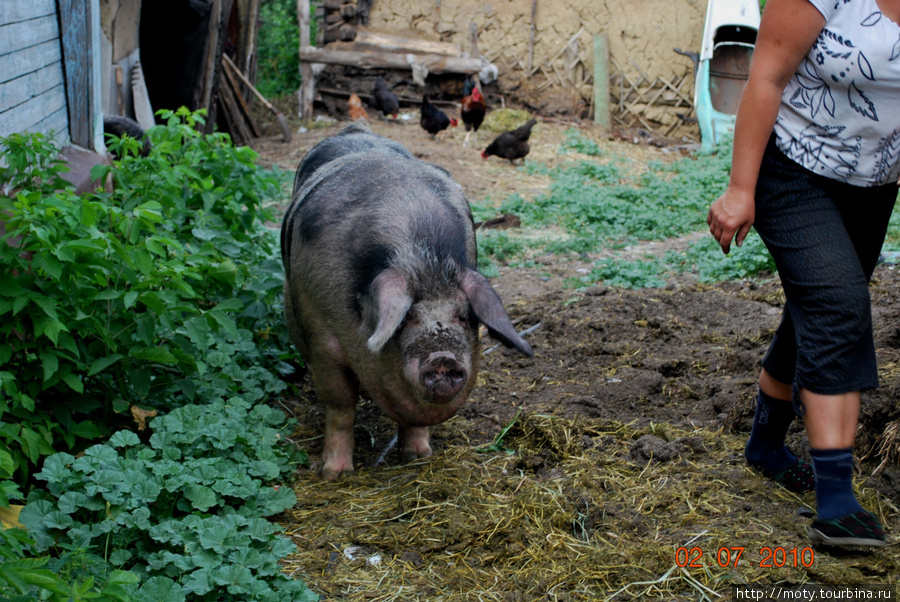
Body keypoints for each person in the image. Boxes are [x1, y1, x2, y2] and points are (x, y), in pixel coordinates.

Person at [707, 0, 900, 548]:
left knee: (816, 307)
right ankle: (837, 501)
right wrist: (741, 189)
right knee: (839, 306)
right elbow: (766, 73)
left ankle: (765, 445)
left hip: (873, 188)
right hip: (793, 170)